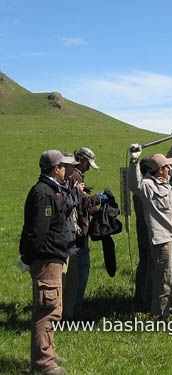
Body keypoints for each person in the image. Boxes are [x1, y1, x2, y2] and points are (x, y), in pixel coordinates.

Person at [19, 150, 79, 375]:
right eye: (64, 166)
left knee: (53, 309)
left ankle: (48, 353)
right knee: (46, 311)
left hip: (51, 256)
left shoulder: (50, 189)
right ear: (56, 168)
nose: (67, 169)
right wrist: (32, 257)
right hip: (47, 258)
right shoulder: (45, 193)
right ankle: (44, 364)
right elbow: (38, 231)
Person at [128, 143, 172, 319]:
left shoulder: (166, 182)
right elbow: (133, 183)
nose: (169, 169)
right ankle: (158, 315)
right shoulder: (146, 186)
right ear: (160, 170)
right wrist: (134, 160)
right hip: (161, 240)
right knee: (164, 280)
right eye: (166, 167)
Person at [63, 147, 105, 318]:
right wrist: (97, 199)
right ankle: (74, 307)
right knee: (80, 269)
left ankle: (72, 306)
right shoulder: (73, 176)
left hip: (77, 229)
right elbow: (79, 203)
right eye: (88, 163)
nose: (88, 167)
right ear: (82, 160)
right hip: (77, 230)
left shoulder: (75, 176)